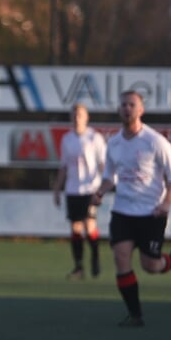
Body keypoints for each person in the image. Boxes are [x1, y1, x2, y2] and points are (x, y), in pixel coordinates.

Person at [93, 90, 171, 327]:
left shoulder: (155, 141)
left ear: (140, 110)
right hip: (123, 211)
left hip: (151, 213)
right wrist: (100, 192)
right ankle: (135, 315)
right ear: (119, 109)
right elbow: (109, 177)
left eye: (132, 104)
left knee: (150, 266)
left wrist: (166, 204)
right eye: (123, 104)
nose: (127, 108)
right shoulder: (113, 143)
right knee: (121, 257)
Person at [52, 103, 107, 280]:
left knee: (90, 227)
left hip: (90, 189)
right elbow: (64, 166)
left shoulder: (94, 138)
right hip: (72, 190)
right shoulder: (67, 139)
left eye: (80, 115)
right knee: (76, 228)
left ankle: (96, 259)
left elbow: (103, 164)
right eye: (74, 115)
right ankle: (79, 267)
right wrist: (57, 189)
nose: (77, 118)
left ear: (86, 117)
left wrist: (100, 187)